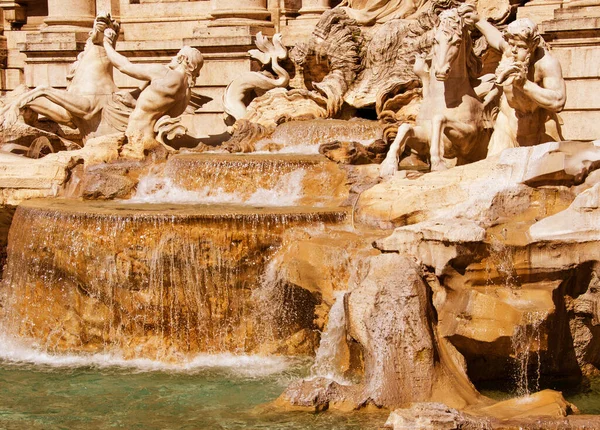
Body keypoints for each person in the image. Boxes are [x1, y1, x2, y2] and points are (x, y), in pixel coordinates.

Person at [103, 28, 204, 159]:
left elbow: (125, 66)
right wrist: (134, 103)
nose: (172, 58)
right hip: (150, 139)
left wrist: (106, 43)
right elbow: (157, 110)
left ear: (182, 59)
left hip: (136, 137)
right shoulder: (186, 92)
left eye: (176, 55)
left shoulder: (165, 74)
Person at [473, 16, 566, 156]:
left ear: (533, 45)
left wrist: (525, 85)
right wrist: (477, 19)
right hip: (507, 124)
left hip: (541, 127)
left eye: (522, 47)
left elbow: (558, 102)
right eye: (511, 44)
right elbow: (495, 37)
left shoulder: (546, 63)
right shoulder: (510, 50)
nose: (514, 51)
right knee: (494, 169)